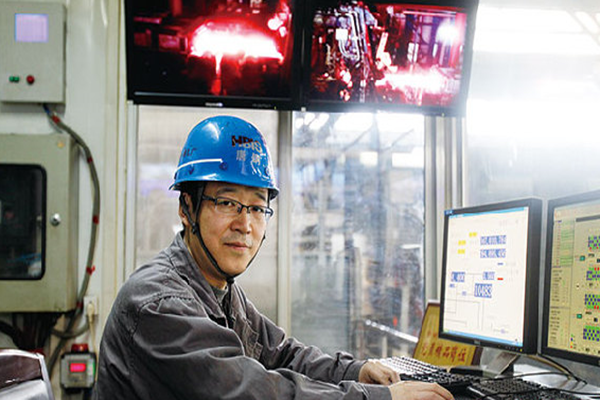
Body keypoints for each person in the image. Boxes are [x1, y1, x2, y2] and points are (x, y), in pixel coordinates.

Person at [95, 115, 454, 400]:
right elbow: (251, 391)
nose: (245, 224)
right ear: (186, 208)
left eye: (256, 207)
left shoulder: (219, 291)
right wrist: (380, 398)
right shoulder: (160, 303)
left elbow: (282, 354)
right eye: (227, 202)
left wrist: (355, 371)